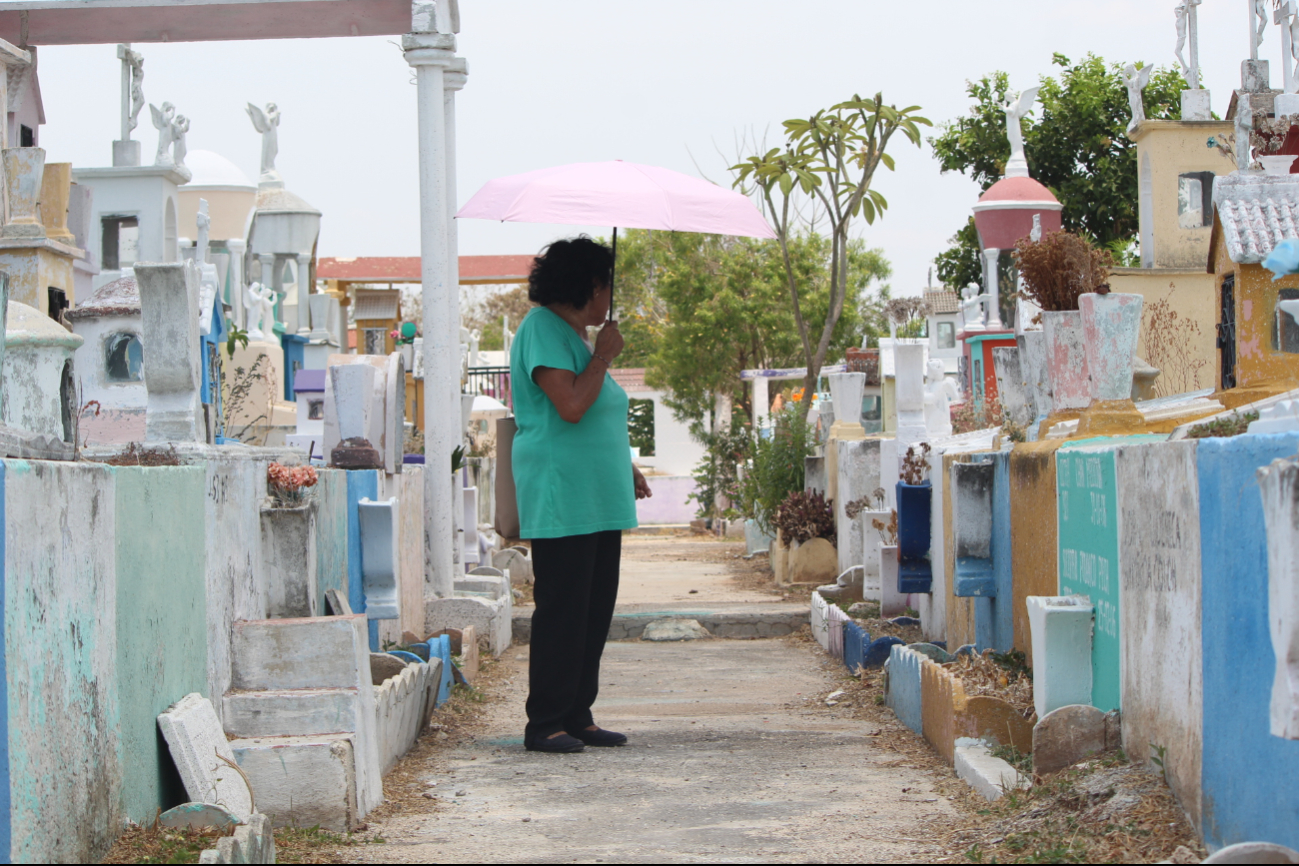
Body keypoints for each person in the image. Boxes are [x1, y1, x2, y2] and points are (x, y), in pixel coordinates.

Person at [510, 235, 652, 754]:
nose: (610, 296)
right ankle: (544, 721)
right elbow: (569, 405)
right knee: (564, 608)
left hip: (594, 494)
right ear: (589, 285)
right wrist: (605, 359)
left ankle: (577, 713)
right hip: (561, 494)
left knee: (593, 609)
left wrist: (624, 465)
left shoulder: (573, 337)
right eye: (607, 284)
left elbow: (594, 416)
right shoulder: (543, 330)